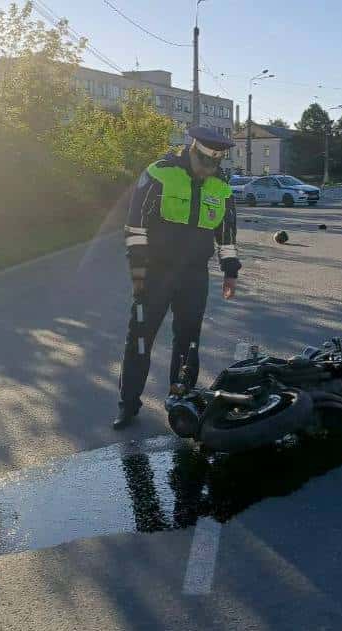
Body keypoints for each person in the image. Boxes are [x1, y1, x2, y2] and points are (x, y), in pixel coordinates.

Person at [113, 126, 241, 430]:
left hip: (194, 276)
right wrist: (138, 272)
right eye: (204, 165)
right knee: (140, 341)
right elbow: (135, 227)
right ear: (192, 151)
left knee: (188, 342)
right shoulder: (158, 173)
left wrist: (230, 270)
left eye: (214, 167)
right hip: (155, 273)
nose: (207, 172)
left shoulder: (220, 184)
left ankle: (179, 400)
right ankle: (128, 405)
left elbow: (227, 233)